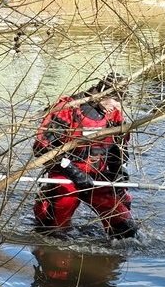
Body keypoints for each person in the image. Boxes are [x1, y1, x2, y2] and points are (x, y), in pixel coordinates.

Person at [32, 73, 138, 239]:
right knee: (55, 228)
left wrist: (119, 173)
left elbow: (119, 149)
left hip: (98, 175)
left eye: (120, 101)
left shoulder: (114, 116)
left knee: (124, 227)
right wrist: (73, 172)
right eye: (114, 100)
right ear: (102, 93)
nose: (117, 106)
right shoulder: (68, 109)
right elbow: (43, 148)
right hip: (65, 174)